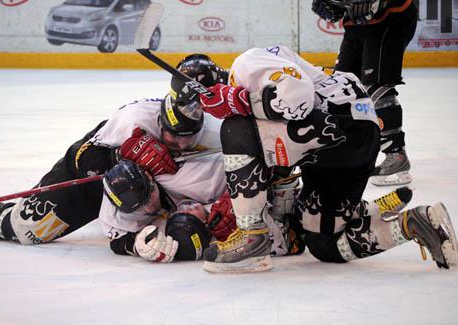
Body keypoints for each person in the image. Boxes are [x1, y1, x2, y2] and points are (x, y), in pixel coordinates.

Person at [196, 45, 457, 273]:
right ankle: (413, 223)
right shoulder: (272, 70)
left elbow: (298, 95)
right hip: (354, 139)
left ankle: (252, 239)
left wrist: (239, 100)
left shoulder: (246, 63)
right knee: (323, 244)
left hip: (339, 125)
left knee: (236, 128)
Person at [0, 54, 227, 243]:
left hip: (153, 196)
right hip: (104, 178)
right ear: (160, 119)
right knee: (31, 227)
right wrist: (121, 154)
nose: (178, 144)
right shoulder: (133, 120)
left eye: (187, 139)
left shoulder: (214, 128)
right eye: (170, 135)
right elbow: (83, 156)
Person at [99, 159, 304, 263]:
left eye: (148, 198)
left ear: (149, 178)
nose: (148, 208)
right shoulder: (115, 213)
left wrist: (241, 198)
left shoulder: (195, 176)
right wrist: (137, 245)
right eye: (139, 208)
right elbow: (118, 241)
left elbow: (256, 162)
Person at [311, 0, 418, 186]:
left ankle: (396, 155)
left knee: (376, 88)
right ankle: (349, 152)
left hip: (390, 21)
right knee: (341, 87)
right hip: (356, 25)